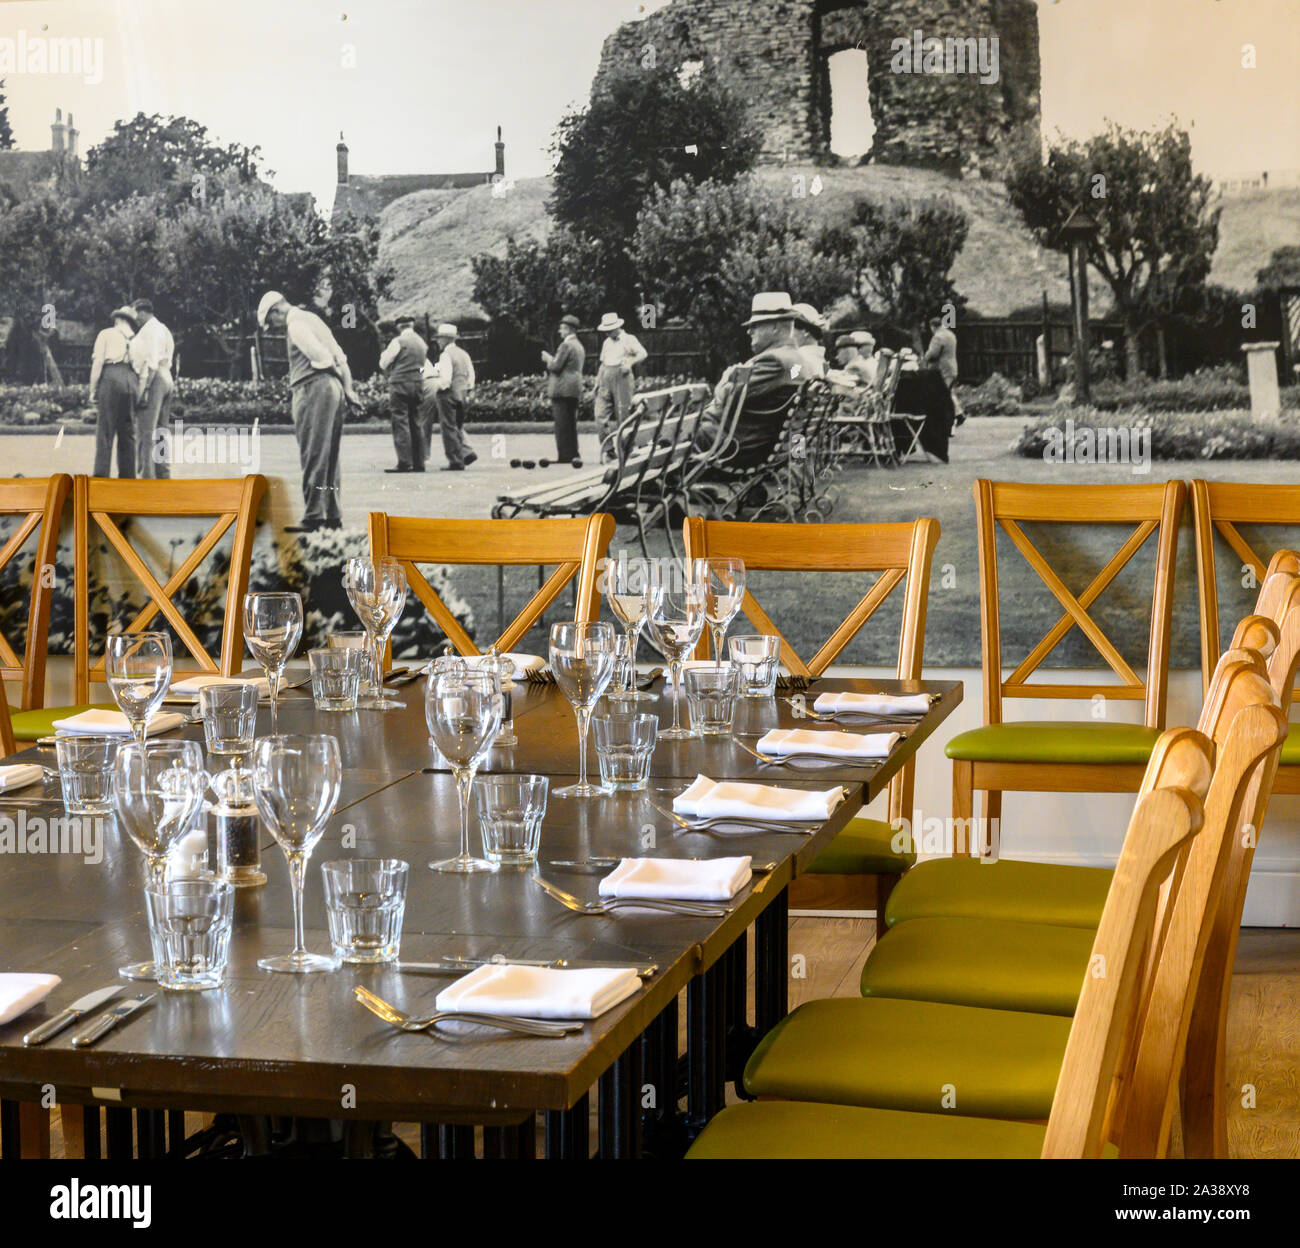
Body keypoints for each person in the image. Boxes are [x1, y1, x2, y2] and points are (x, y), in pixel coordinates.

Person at [257, 290, 359, 532]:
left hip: (313, 388)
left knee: (313, 452)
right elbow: (340, 357)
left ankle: (313, 516)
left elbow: (323, 359)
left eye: (271, 322)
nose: (274, 328)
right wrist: (348, 388)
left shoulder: (296, 325)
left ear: (276, 310)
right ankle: (333, 515)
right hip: (333, 389)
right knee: (330, 455)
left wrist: (333, 377)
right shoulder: (314, 319)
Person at [697, 291, 805, 468]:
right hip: (756, 444)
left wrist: (725, 379)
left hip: (736, 447)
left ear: (775, 327)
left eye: (755, 326)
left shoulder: (774, 361)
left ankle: (648, 490)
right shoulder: (797, 361)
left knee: (672, 434)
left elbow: (727, 398)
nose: (748, 331)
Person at [88, 305, 140, 478]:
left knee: (105, 430)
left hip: (111, 376)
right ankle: (128, 476)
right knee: (128, 431)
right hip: (131, 379)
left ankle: (101, 475)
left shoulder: (106, 334)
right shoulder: (136, 339)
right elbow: (141, 366)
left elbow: (98, 363)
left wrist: (93, 389)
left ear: (118, 319)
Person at [129, 298, 175, 478]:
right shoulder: (163, 328)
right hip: (167, 377)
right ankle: (163, 475)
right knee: (161, 431)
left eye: (135, 315)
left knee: (146, 431)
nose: (135, 320)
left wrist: (145, 389)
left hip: (154, 378)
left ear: (142, 312)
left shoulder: (150, 330)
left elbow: (152, 363)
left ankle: (147, 477)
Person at [591, 312, 647, 460]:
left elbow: (643, 353)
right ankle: (609, 449)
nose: (608, 333)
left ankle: (627, 448)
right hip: (606, 377)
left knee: (624, 414)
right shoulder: (606, 342)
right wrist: (597, 382)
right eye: (606, 331)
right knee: (600, 415)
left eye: (610, 330)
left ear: (618, 327)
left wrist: (630, 363)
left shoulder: (629, 339)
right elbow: (603, 364)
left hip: (622, 378)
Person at [378, 315, 429, 473]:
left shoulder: (398, 342)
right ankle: (419, 462)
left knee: (400, 421)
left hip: (400, 383)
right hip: (417, 383)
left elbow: (384, 362)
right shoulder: (422, 343)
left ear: (399, 327)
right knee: (416, 421)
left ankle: (405, 462)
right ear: (412, 326)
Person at [429, 323, 477, 471]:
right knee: (457, 426)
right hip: (462, 393)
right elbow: (471, 375)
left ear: (446, 339)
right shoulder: (464, 354)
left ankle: (455, 460)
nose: (437, 341)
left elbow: (445, 379)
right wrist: (468, 389)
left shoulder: (445, 355)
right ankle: (465, 452)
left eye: (439, 338)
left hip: (448, 395)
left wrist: (434, 386)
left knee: (448, 427)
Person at [542, 314, 585, 463]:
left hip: (562, 388)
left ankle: (565, 455)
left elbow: (556, 366)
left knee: (561, 423)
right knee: (570, 422)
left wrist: (548, 358)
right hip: (573, 387)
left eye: (562, 329)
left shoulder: (566, 345)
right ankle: (573, 453)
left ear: (568, 329)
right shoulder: (578, 345)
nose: (560, 332)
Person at [924, 315, 963, 426]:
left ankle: (958, 414)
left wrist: (925, 357)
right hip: (952, 366)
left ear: (932, 326)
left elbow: (933, 353)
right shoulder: (950, 334)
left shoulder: (938, 337)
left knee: (946, 392)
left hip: (943, 368)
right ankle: (956, 414)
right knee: (949, 391)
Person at [791, 303, 827, 379]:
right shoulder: (820, 359)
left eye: (791, 329)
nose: (789, 335)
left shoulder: (800, 359)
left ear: (805, 331)